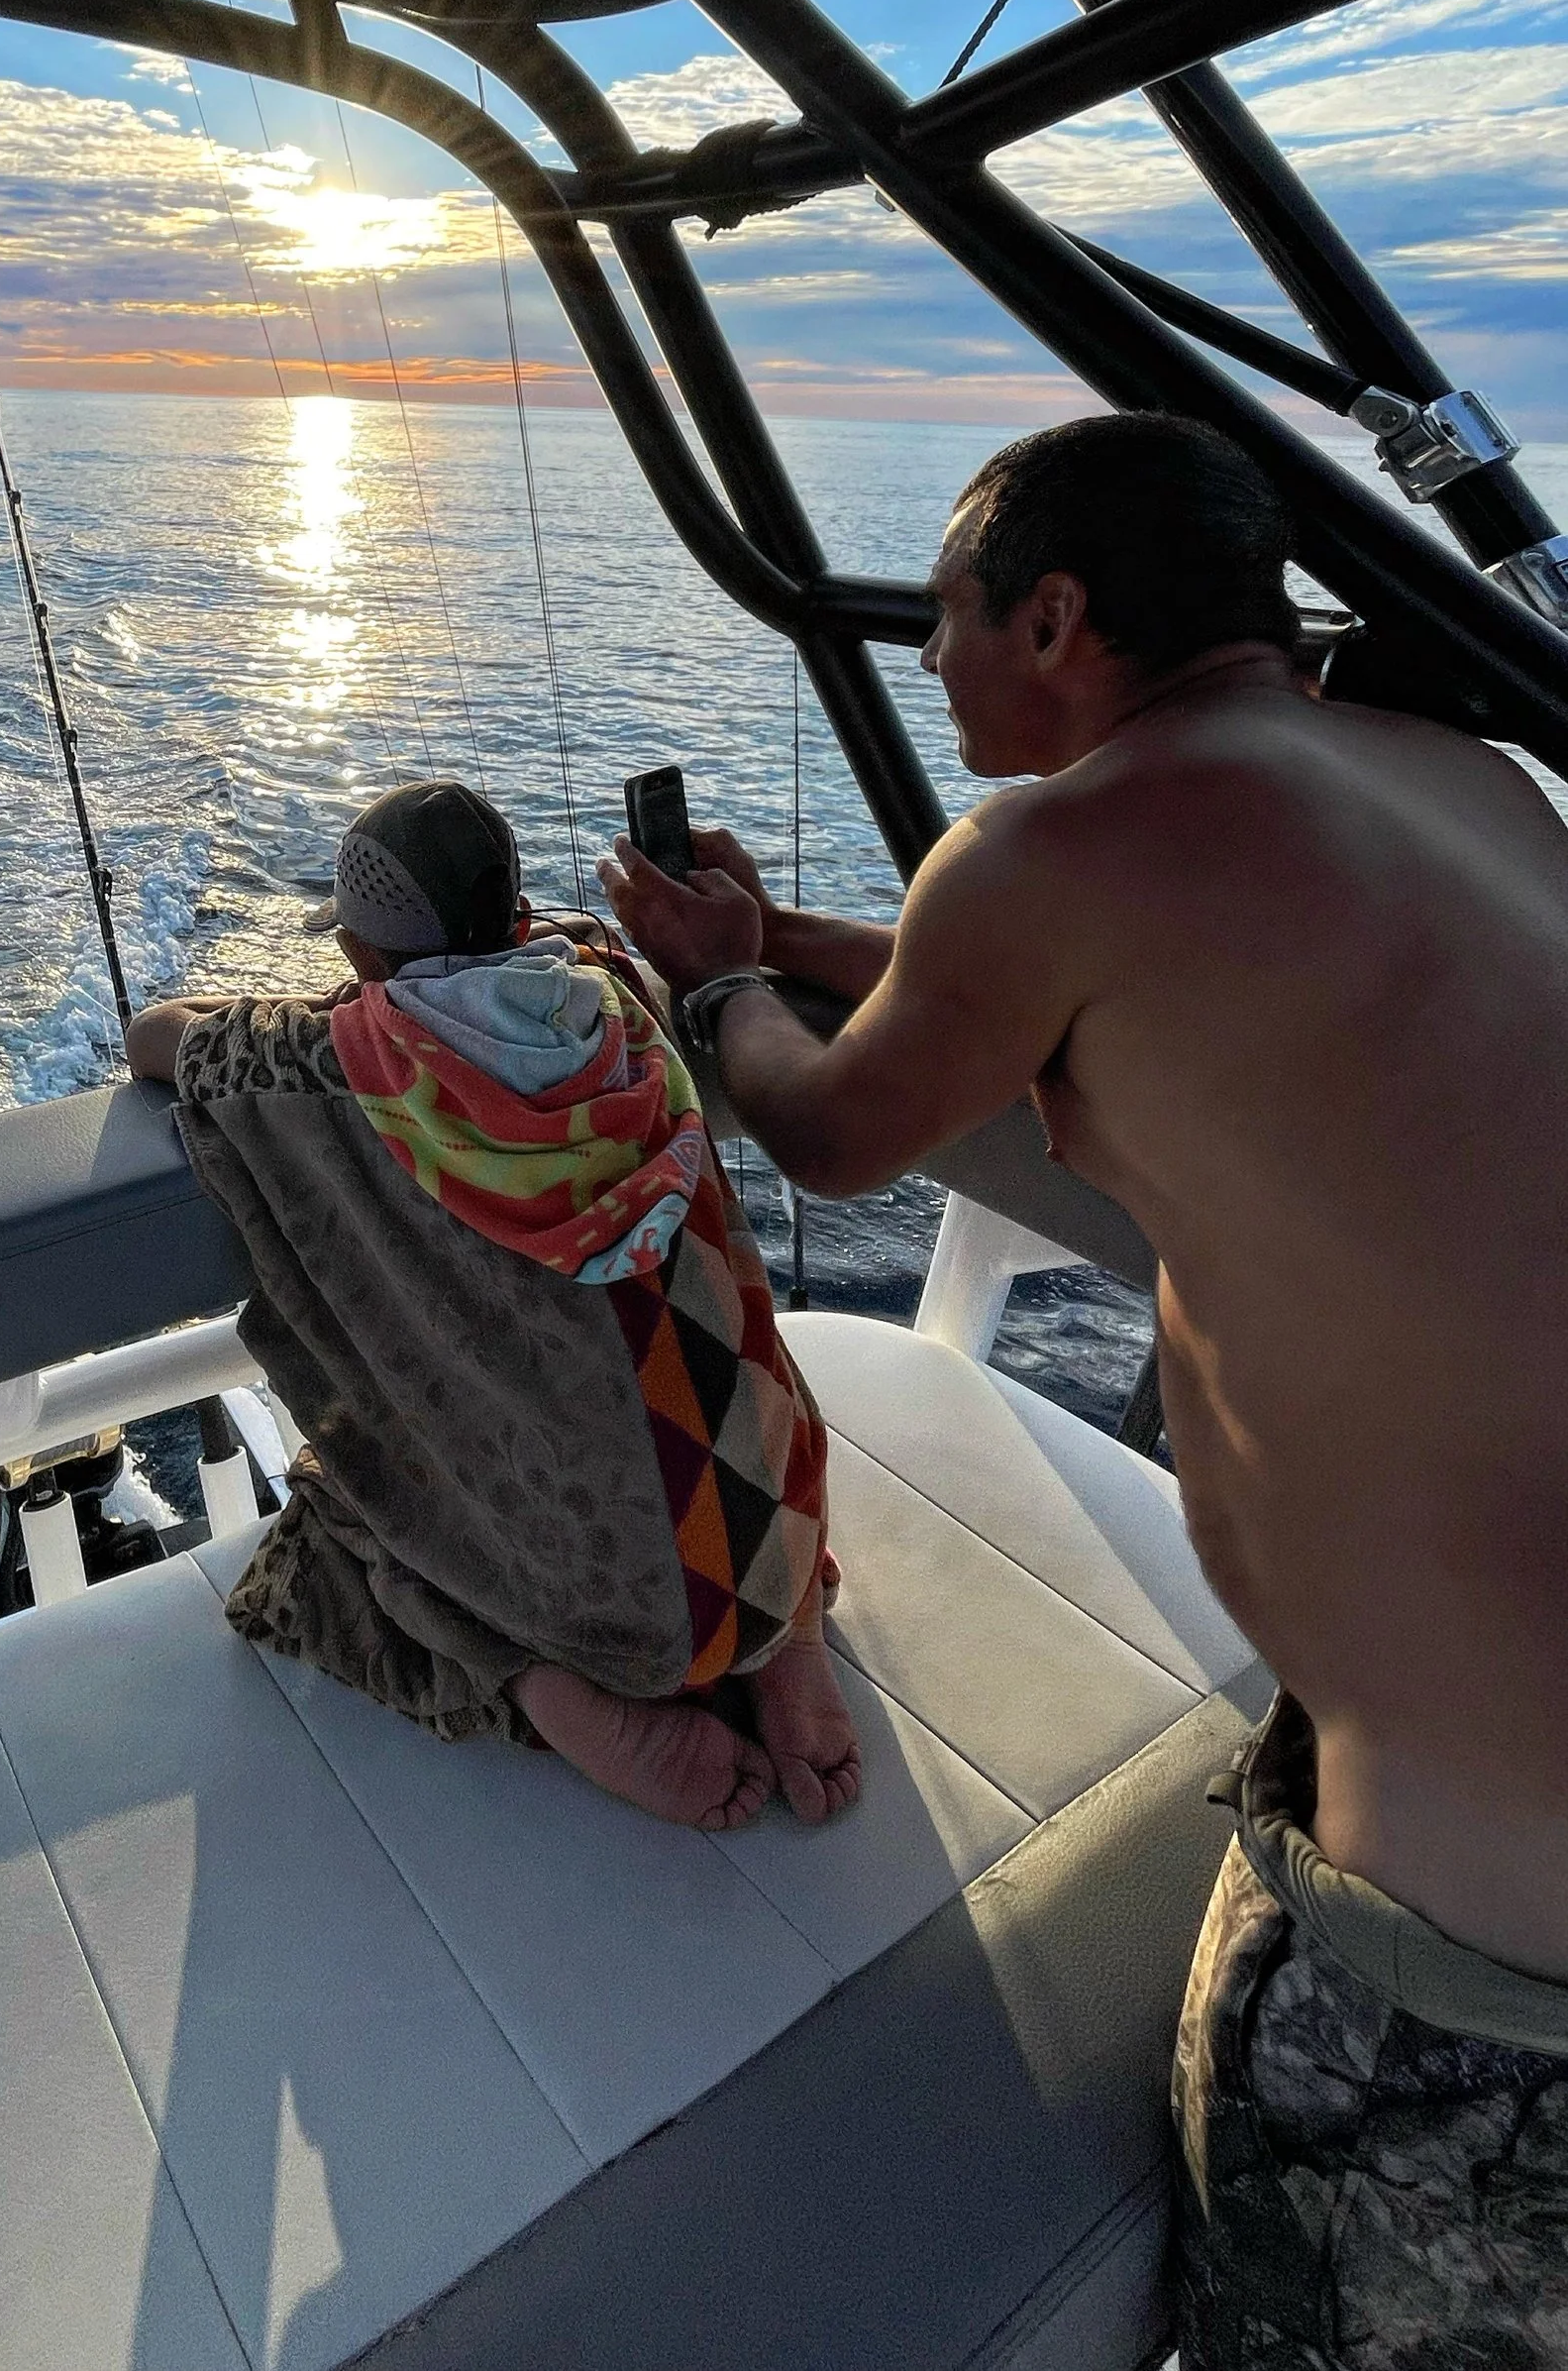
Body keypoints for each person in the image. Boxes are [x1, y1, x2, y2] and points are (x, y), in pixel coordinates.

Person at [600, 412, 1568, 2367]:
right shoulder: (1457, 773)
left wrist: (709, 999)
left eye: (946, 613)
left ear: (1050, 617)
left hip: (1481, 1948)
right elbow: (1028, 988)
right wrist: (768, 938)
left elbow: (834, 1125)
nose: (927, 654)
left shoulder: (1043, 849)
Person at [127, 777, 860, 1829]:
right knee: (715, 1408)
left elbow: (157, 1035)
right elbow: (567, 950)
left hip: (619, 1618)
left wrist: (324, 1012)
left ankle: (557, 1696)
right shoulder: (614, 994)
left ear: (359, 953)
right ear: (515, 916)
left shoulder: (327, 1062)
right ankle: (787, 1638)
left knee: (362, 1498)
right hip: (763, 1531)